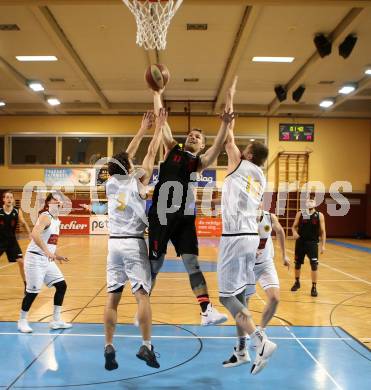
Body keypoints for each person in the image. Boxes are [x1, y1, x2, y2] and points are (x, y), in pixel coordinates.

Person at [147, 79, 239, 326]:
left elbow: (219, 145)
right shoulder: (171, 149)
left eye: (197, 137)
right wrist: (158, 93)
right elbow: (161, 119)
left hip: (185, 219)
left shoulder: (198, 162)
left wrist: (225, 125)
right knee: (155, 264)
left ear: (201, 145)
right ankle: (142, 307)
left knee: (192, 263)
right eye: (190, 134)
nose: (192, 136)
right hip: (162, 215)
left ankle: (206, 310)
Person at [218, 86, 276, 374]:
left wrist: (229, 100)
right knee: (240, 296)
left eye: (247, 149)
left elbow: (228, 138)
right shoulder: (261, 176)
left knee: (226, 298)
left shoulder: (239, 165)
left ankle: (259, 341)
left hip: (235, 237)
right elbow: (232, 141)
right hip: (250, 238)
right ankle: (241, 351)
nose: (242, 150)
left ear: (249, 156)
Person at [103, 110, 165, 371]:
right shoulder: (138, 182)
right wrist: (158, 128)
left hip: (113, 245)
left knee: (112, 297)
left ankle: (108, 345)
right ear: (129, 167)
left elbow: (124, 156)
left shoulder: (111, 184)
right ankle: (147, 346)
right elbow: (150, 152)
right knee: (142, 296)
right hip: (133, 243)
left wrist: (141, 129)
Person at [223, 208, 290, 367]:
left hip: (266, 264)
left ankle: (260, 331)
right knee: (243, 305)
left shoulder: (269, 217)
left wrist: (284, 255)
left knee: (275, 298)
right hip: (248, 266)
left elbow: (280, 232)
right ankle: (241, 348)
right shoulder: (242, 218)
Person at [17, 192, 71, 333]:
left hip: (46, 259)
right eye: (54, 198)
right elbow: (34, 234)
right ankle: (22, 320)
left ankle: (56, 320)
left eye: (59, 199)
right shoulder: (45, 216)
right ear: (48, 202)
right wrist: (47, 252)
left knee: (61, 286)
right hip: (35, 259)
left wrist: (56, 255)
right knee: (32, 292)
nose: (57, 201)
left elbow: (50, 242)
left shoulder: (56, 220)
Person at [291, 197, 326, 297]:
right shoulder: (300, 213)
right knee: (297, 264)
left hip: (312, 243)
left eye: (312, 201)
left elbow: (323, 232)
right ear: (305, 203)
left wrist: (323, 245)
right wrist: (294, 232)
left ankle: (314, 287)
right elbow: (294, 226)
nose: (310, 202)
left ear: (315, 203)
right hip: (300, 242)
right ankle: (297, 282)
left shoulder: (319, 215)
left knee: (314, 265)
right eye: (308, 201)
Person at [0, 191, 31, 291]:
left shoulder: (17, 211)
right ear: (3, 199)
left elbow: (23, 222)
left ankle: (26, 285)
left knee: (21, 262)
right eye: (7, 197)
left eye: (11, 197)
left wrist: (29, 234)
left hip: (12, 241)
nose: (9, 199)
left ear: (13, 200)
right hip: (0, 241)